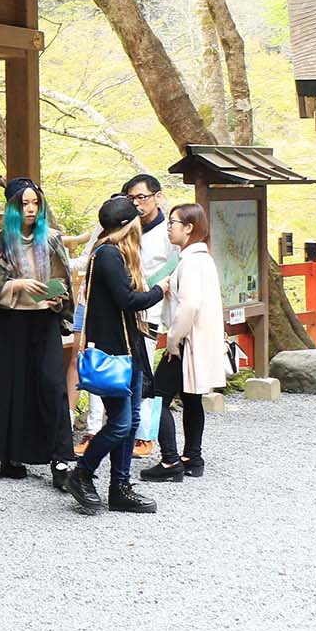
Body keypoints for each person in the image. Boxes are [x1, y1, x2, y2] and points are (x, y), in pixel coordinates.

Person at [0, 177, 78, 484]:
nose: (31, 209)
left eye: (35, 203)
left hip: (45, 320)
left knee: (52, 386)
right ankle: (10, 455)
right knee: (12, 386)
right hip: (14, 321)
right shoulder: (0, 243)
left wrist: (58, 299)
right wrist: (15, 284)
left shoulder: (52, 240)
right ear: (14, 208)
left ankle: (60, 459)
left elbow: (65, 281)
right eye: (24, 204)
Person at [68, 195, 168, 515]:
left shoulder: (116, 253)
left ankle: (120, 486)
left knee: (131, 419)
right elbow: (127, 300)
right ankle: (82, 473)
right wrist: (159, 290)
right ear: (127, 226)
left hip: (129, 349)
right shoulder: (109, 254)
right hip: (115, 351)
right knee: (122, 424)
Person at [143, 203, 227, 482]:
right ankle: (193, 456)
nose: (169, 228)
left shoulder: (191, 262)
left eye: (173, 223)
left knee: (157, 397)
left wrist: (172, 340)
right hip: (200, 341)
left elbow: (189, 305)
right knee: (192, 399)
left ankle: (170, 461)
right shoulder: (202, 259)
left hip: (185, 342)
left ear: (189, 228)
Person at [121, 174, 178, 458]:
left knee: (145, 372)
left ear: (157, 196)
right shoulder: (127, 227)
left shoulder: (168, 231)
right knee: (129, 371)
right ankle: (128, 429)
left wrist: (153, 287)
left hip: (151, 309)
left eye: (141, 197)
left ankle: (146, 436)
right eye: (132, 198)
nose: (137, 203)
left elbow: (175, 266)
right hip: (126, 306)